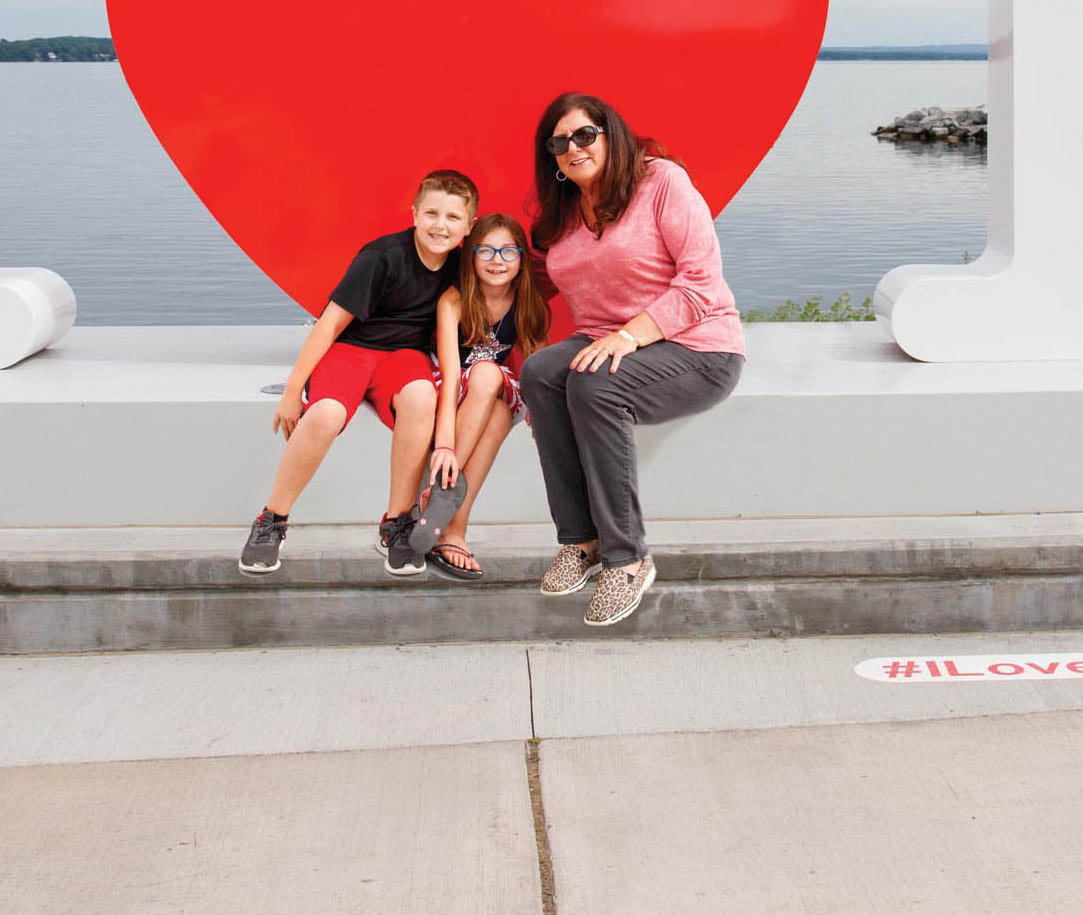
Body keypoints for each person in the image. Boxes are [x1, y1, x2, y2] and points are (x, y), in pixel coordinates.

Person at [520, 92, 744, 626]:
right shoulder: (568, 212)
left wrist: (630, 336)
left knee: (596, 386)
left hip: (698, 345)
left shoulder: (661, 181)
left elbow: (701, 284)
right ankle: (582, 541)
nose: (572, 148)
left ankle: (628, 558)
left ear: (610, 133)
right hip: (607, 340)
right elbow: (538, 281)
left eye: (583, 135)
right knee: (541, 374)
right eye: (558, 143)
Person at [237, 169, 477, 578]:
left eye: (453, 217)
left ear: (469, 226)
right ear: (414, 213)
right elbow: (330, 324)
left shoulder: (462, 267)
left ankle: (396, 523)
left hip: (404, 357)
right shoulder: (381, 257)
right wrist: (294, 390)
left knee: (422, 396)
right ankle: (271, 520)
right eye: (432, 213)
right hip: (352, 351)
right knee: (326, 413)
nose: (441, 225)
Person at [419, 212, 549, 580]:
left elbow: (538, 364)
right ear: (470, 257)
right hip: (451, 385)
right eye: (486, 251)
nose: (497, 261)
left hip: (488, 392)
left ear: (522, 259)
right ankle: (445, 484)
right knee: (488, 374)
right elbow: (447, 372)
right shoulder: (454, 301)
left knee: (498, 412)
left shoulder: (528, 301)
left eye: (508, 252)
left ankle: (454, 527)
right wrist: (444, 448)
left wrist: (542, 412)